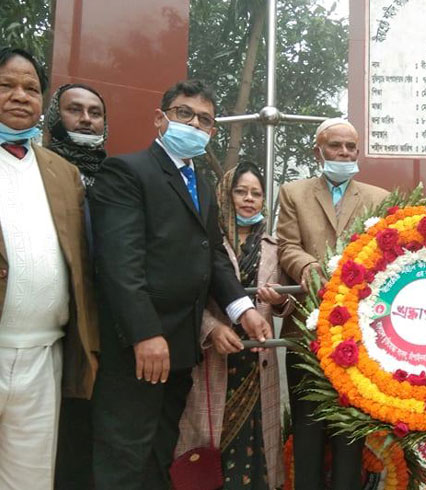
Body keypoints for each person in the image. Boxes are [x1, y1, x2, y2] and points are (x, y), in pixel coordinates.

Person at [89, 79, 271, 490]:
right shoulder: (127, 172)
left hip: (181, 348)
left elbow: (213, 257)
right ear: (161, 118)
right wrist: (145, 333)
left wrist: (243, 309)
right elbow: (120, 264)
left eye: (204, 120)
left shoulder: (201, 185)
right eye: (184, 113)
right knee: (125, 454)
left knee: (160, 451)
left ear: (211, 132)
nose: (194, 124)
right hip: (140, 347)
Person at [0, 46, 98, 490]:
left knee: (30, 477)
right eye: (6, 85)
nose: (20, 95)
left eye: (31, 88)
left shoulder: (62, 171)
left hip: (44, 355)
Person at [277, 118, 389, 489]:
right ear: (318, 151)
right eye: (335, 146)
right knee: (307, 426)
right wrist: (306, 266)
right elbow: (287, 246)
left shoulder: (379, 198)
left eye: (350, 147)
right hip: (306, 330)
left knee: (350, 430)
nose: (343, 153)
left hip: (359, 337)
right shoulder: (293, 193)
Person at [176, 161, 289, 489]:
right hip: (214, 356)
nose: (249, 199)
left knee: (255, 448)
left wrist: (280, 300)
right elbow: (188, 298)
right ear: (226, 195)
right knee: (208, 445)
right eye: (241, 191)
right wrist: (210, 329)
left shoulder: (272, 247)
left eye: (256, 193)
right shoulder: (205, 242)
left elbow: (285, 304)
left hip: (257, 363)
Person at [44, 82, 107, 490]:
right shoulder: (31, 171)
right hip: (42, 330)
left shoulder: (116, 178)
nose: (85, 119)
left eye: (95, 112)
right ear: (55, 117)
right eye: (74, 110)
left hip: (96, 333)